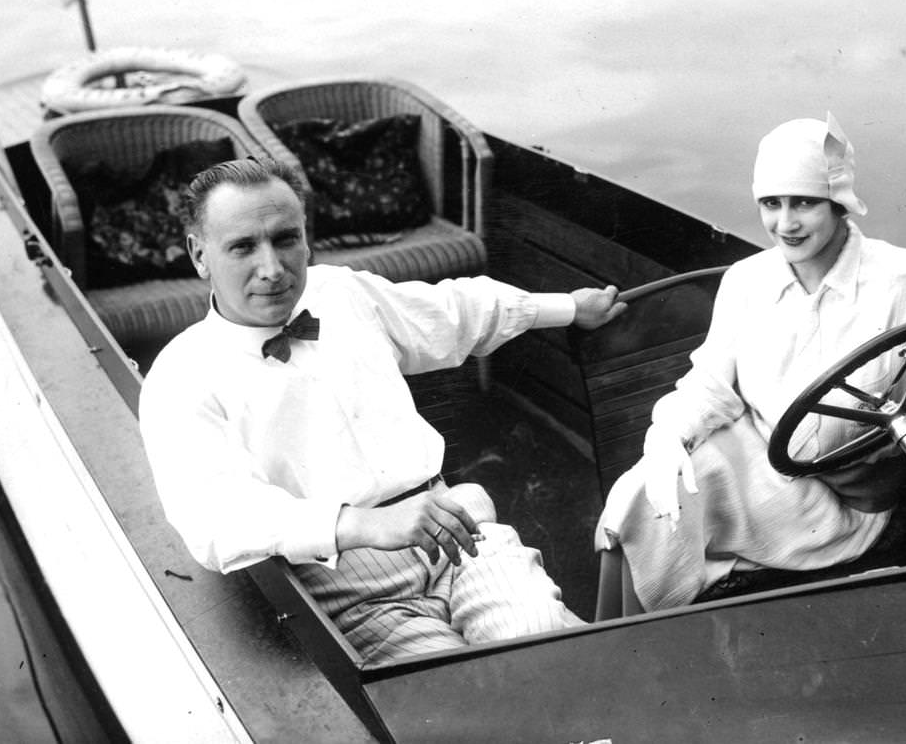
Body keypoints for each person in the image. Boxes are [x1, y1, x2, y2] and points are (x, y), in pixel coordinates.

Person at [140, 156, 625, 663]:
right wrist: (367, 525)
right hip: (350, 584)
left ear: (306, 237)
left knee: (552, 647)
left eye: (285, 239)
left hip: (455, 531)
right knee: (466, 691)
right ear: (199, 255)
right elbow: (217, 518)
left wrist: (570, 308)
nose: (272, 268)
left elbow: (452, 312)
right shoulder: (180, 377)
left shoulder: (340, 291)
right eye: (242, 247)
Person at [595, 114, 906, 613]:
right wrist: (667, 435)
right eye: (771, 204)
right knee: (638, 499)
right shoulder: (745, 282)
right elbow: (710, 386)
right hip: (759, 459)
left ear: (838, 202)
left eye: (804, 203)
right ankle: (616, 644)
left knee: (671, 526)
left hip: (853, 506)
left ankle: (663, 629)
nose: (785, 224)